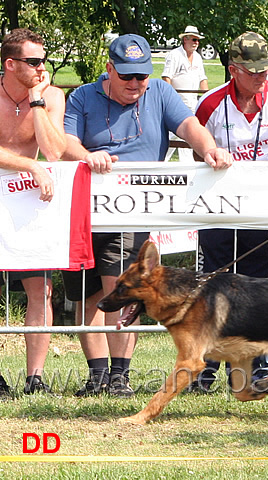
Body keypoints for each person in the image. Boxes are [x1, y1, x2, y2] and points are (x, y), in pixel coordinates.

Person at [62, 34, 232, 398]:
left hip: (131, 210)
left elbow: (189, 126)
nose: (136, 84)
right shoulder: (82, 96)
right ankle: (97, 376)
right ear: (109, 69)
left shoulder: (160, 92)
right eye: (127, 77)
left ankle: (120, 376)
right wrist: (87, 156)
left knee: (119, 291)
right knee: (88, 296)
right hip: (83, 210)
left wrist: (209, 149)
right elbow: (67, 143)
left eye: (141, 76)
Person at [194, 31, 268, 393]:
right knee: (212, 288)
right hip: (219, 210)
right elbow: (196, 152)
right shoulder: (209, 104)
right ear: (233, 70)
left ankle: (261, 370)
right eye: (252, 71)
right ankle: (202, 371)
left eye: (265, 70)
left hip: (265, 211)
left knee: (259, 290)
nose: (260, 77)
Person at [0, 28, 66, 395]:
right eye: (34, 61)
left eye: (44, 60)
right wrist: (32, 166)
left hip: (28, 202)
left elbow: (54, 151)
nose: (43, 67)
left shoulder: (52, 96)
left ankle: (35, 378)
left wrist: (37, 100)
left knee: (40, 290)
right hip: (10, 193)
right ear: (10, 64)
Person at [162, 25, 209, 162]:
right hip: (177, 104)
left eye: (198, 40)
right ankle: (159, 164)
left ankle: (187, 167)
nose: (196, 43)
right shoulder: (174, 55)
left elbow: (203, 79)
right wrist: (169, 101)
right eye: (194, 40)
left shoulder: (198, 58)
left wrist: (204, 99)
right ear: (185, 39)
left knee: (190, 136)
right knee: (171, 136)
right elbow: (166, 78)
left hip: (193, 104)